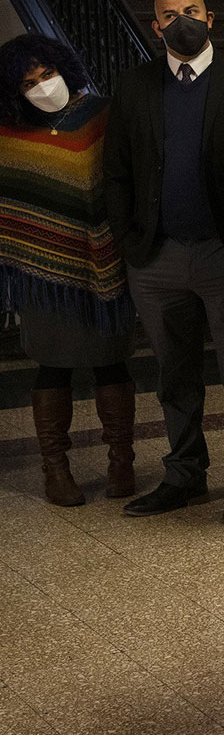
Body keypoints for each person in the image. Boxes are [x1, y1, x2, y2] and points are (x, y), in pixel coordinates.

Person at [104, 0, 224, 525]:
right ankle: (184, 474)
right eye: (170, 15)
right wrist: (132, 241)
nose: (183, 21)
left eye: (192, 11)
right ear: (156, 27)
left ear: (211, 17)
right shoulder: (133, 86)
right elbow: (119, 171)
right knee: (173, 372)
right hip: (157, 257)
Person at [0, 34, 136, 505]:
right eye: (30, 82)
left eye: (48, 74)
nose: (43, 86)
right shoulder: (9, 133)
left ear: (65, 68)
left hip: (105, 264)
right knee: (52, 368)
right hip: (41, 275)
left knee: (111, 364)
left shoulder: (101, 115)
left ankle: (123, 464)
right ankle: (56, 471)